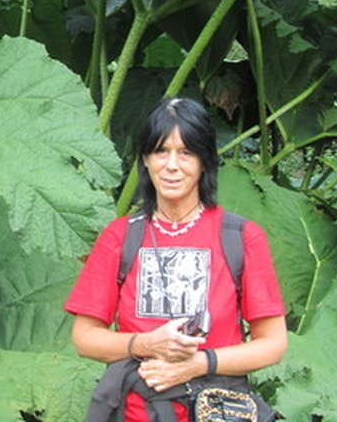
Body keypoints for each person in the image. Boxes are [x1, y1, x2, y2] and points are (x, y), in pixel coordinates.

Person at [64, 97, 287, 421]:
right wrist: (148, 343)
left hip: (216, 411)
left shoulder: (241, 236)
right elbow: (84, 338)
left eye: (186, 152)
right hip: (135, 413)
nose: (171, 165)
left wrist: (200, 364)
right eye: (160, 151)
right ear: (145, 160)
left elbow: (273, 344)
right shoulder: (120, 236)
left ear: (205, 162)